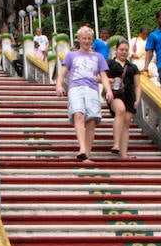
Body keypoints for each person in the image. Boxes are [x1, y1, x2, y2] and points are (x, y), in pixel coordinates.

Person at [57, 25, 115, 161]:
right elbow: (63, 73)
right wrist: (59, 85)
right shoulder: (71, 55)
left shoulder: (98, 57)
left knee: (91, 120)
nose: (86, 41)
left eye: (89, 38)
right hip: (76, 88)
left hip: (92, 89)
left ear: (92, 40)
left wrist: (109, 90)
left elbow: (104, 76)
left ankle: (86, 154)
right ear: (79, 39)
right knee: (78, 114)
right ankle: (82, 147)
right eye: (84, 38)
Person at [106, 40, 141, 157]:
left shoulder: (132, 67)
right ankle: (116, 144)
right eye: (121, 49)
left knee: (126, 124)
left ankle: (124, 153)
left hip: (129, 96)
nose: (124, 52)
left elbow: (137, 85)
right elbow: (98, 78)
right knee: (120, 110)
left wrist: (137, 99)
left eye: (126, 50)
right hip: (115, 94)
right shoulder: (109, 63)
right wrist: (112, 80)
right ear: (116, 50)